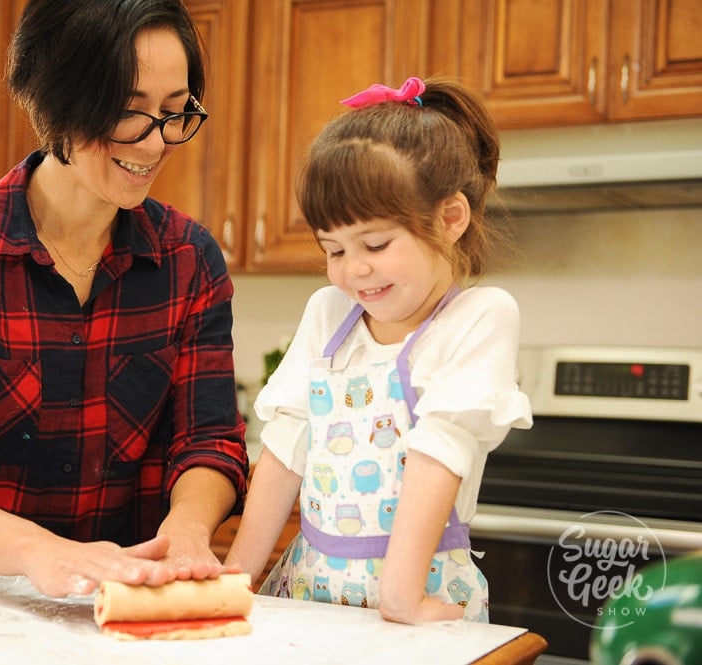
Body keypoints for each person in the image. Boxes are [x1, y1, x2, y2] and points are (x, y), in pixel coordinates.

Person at [0, 0, 249, 598]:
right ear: (55, 99)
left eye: (174, 112)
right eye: (128, 111)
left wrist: (189, 528)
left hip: (123, 595)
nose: (155, 144)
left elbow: (208, 440)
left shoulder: (189, 258)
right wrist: (39, 552)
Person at [225, 76, 532, 624]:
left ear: (450, 218)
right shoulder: (328, 312)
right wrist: (237, 580)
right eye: (334, 249)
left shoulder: (479, 316)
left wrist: (401, 598)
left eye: (375, 244)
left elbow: (439, 453)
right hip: (308, 592)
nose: (354, 269)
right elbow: (285, 447)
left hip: (415, 593)